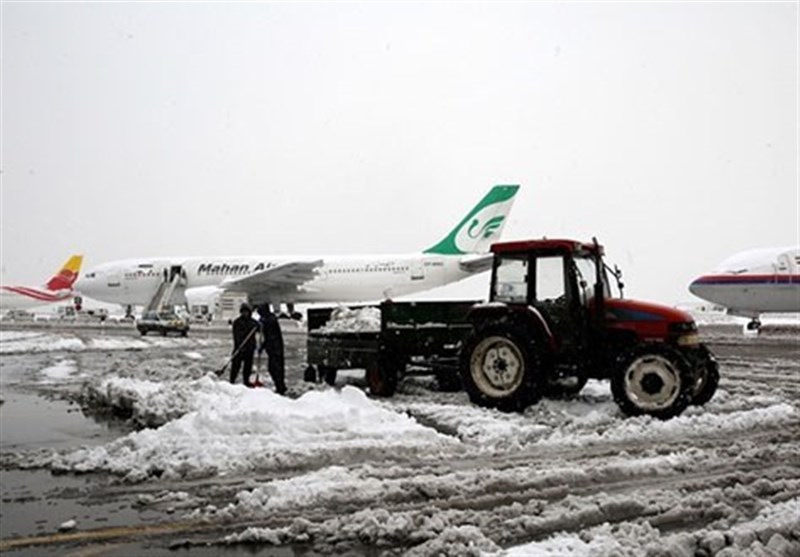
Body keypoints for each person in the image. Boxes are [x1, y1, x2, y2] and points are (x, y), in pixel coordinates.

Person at [258, 304, 287, 395]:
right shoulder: (269, 319)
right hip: (273, 349)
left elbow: (270, 337)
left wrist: (263, 346)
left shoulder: (270, 320)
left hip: (275, 349)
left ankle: (280, 388)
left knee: (275, 369)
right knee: (274, 369)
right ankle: (280, 386)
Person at [230, 303, 259, 387]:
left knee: (248, 366)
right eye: (243, 312)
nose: (244, 313)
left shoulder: (253, 323)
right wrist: (239, 345)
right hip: (239, 348)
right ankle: (232, 381)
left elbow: (259, 329)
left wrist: (259, 326)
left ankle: (246, 381)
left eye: (246, 312)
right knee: (235, 366)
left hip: (249, 349)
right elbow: (236, 335)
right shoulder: (237, 322)